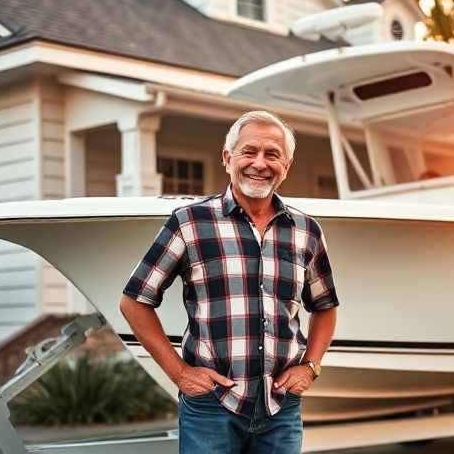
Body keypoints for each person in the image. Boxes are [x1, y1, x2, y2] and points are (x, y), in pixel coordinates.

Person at [120, 111, 339, 453]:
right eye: (249, 152)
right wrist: (179, 373)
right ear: (227, 158)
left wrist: (310, 367)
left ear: (287, 165)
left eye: (272, 154)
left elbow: (325, 307)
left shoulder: (305, 230)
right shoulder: (189, 222)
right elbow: (134, 301)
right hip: (211, 407)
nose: (260, 163)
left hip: (281, 407)